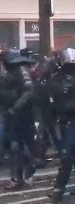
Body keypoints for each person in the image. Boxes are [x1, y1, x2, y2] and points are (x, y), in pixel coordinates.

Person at [46, 48, 75, 203]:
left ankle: (59, 189)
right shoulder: (55, 79)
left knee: (68, 156)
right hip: (62, 121)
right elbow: (51, 102)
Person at [0, 48, 38, 190]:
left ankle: (25, 173)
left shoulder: (21, 72)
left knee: (20, 146)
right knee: (15, 147)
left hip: (23, 115)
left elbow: (28, 92)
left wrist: (15, 107)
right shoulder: (9, 74)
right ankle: (19, 176)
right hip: (11, 114)